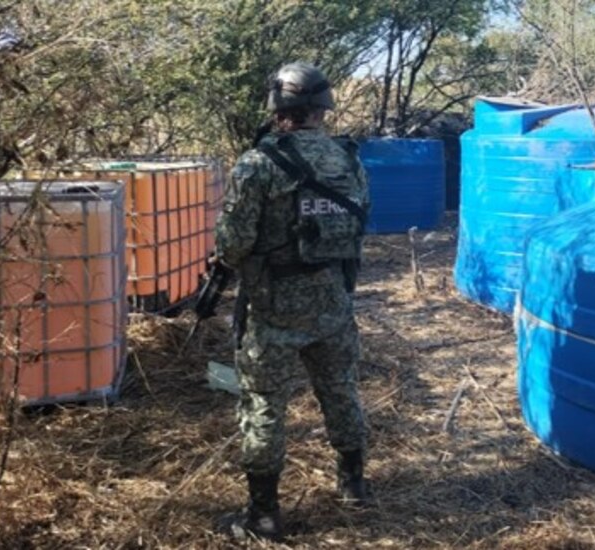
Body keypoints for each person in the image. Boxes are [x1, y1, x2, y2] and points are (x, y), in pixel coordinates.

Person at [213, 61, 372, 542]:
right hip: (332, 301)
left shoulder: (258, 164)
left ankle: (263, 515)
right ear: (322, 107)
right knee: (341, 389)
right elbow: (359, 226)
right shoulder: (348, 159)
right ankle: (354, 486)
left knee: (264, 405)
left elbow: (232, 245)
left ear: (277, 108)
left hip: (274, 307)